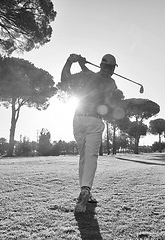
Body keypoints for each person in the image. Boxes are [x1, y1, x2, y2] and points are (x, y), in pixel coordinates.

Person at [61, 53, 120, 213]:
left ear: (101, 65)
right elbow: (96, 79)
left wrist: (70, 62)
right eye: (111, 68)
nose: (111, 71)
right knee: (91, 156)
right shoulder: (111, 82)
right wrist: (81, 64)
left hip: (78, 119)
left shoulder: (89, 76)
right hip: (94, 120)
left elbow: (65, 78)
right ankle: (86, 189)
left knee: (83, 158)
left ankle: (85, 191)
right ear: (111, 69)